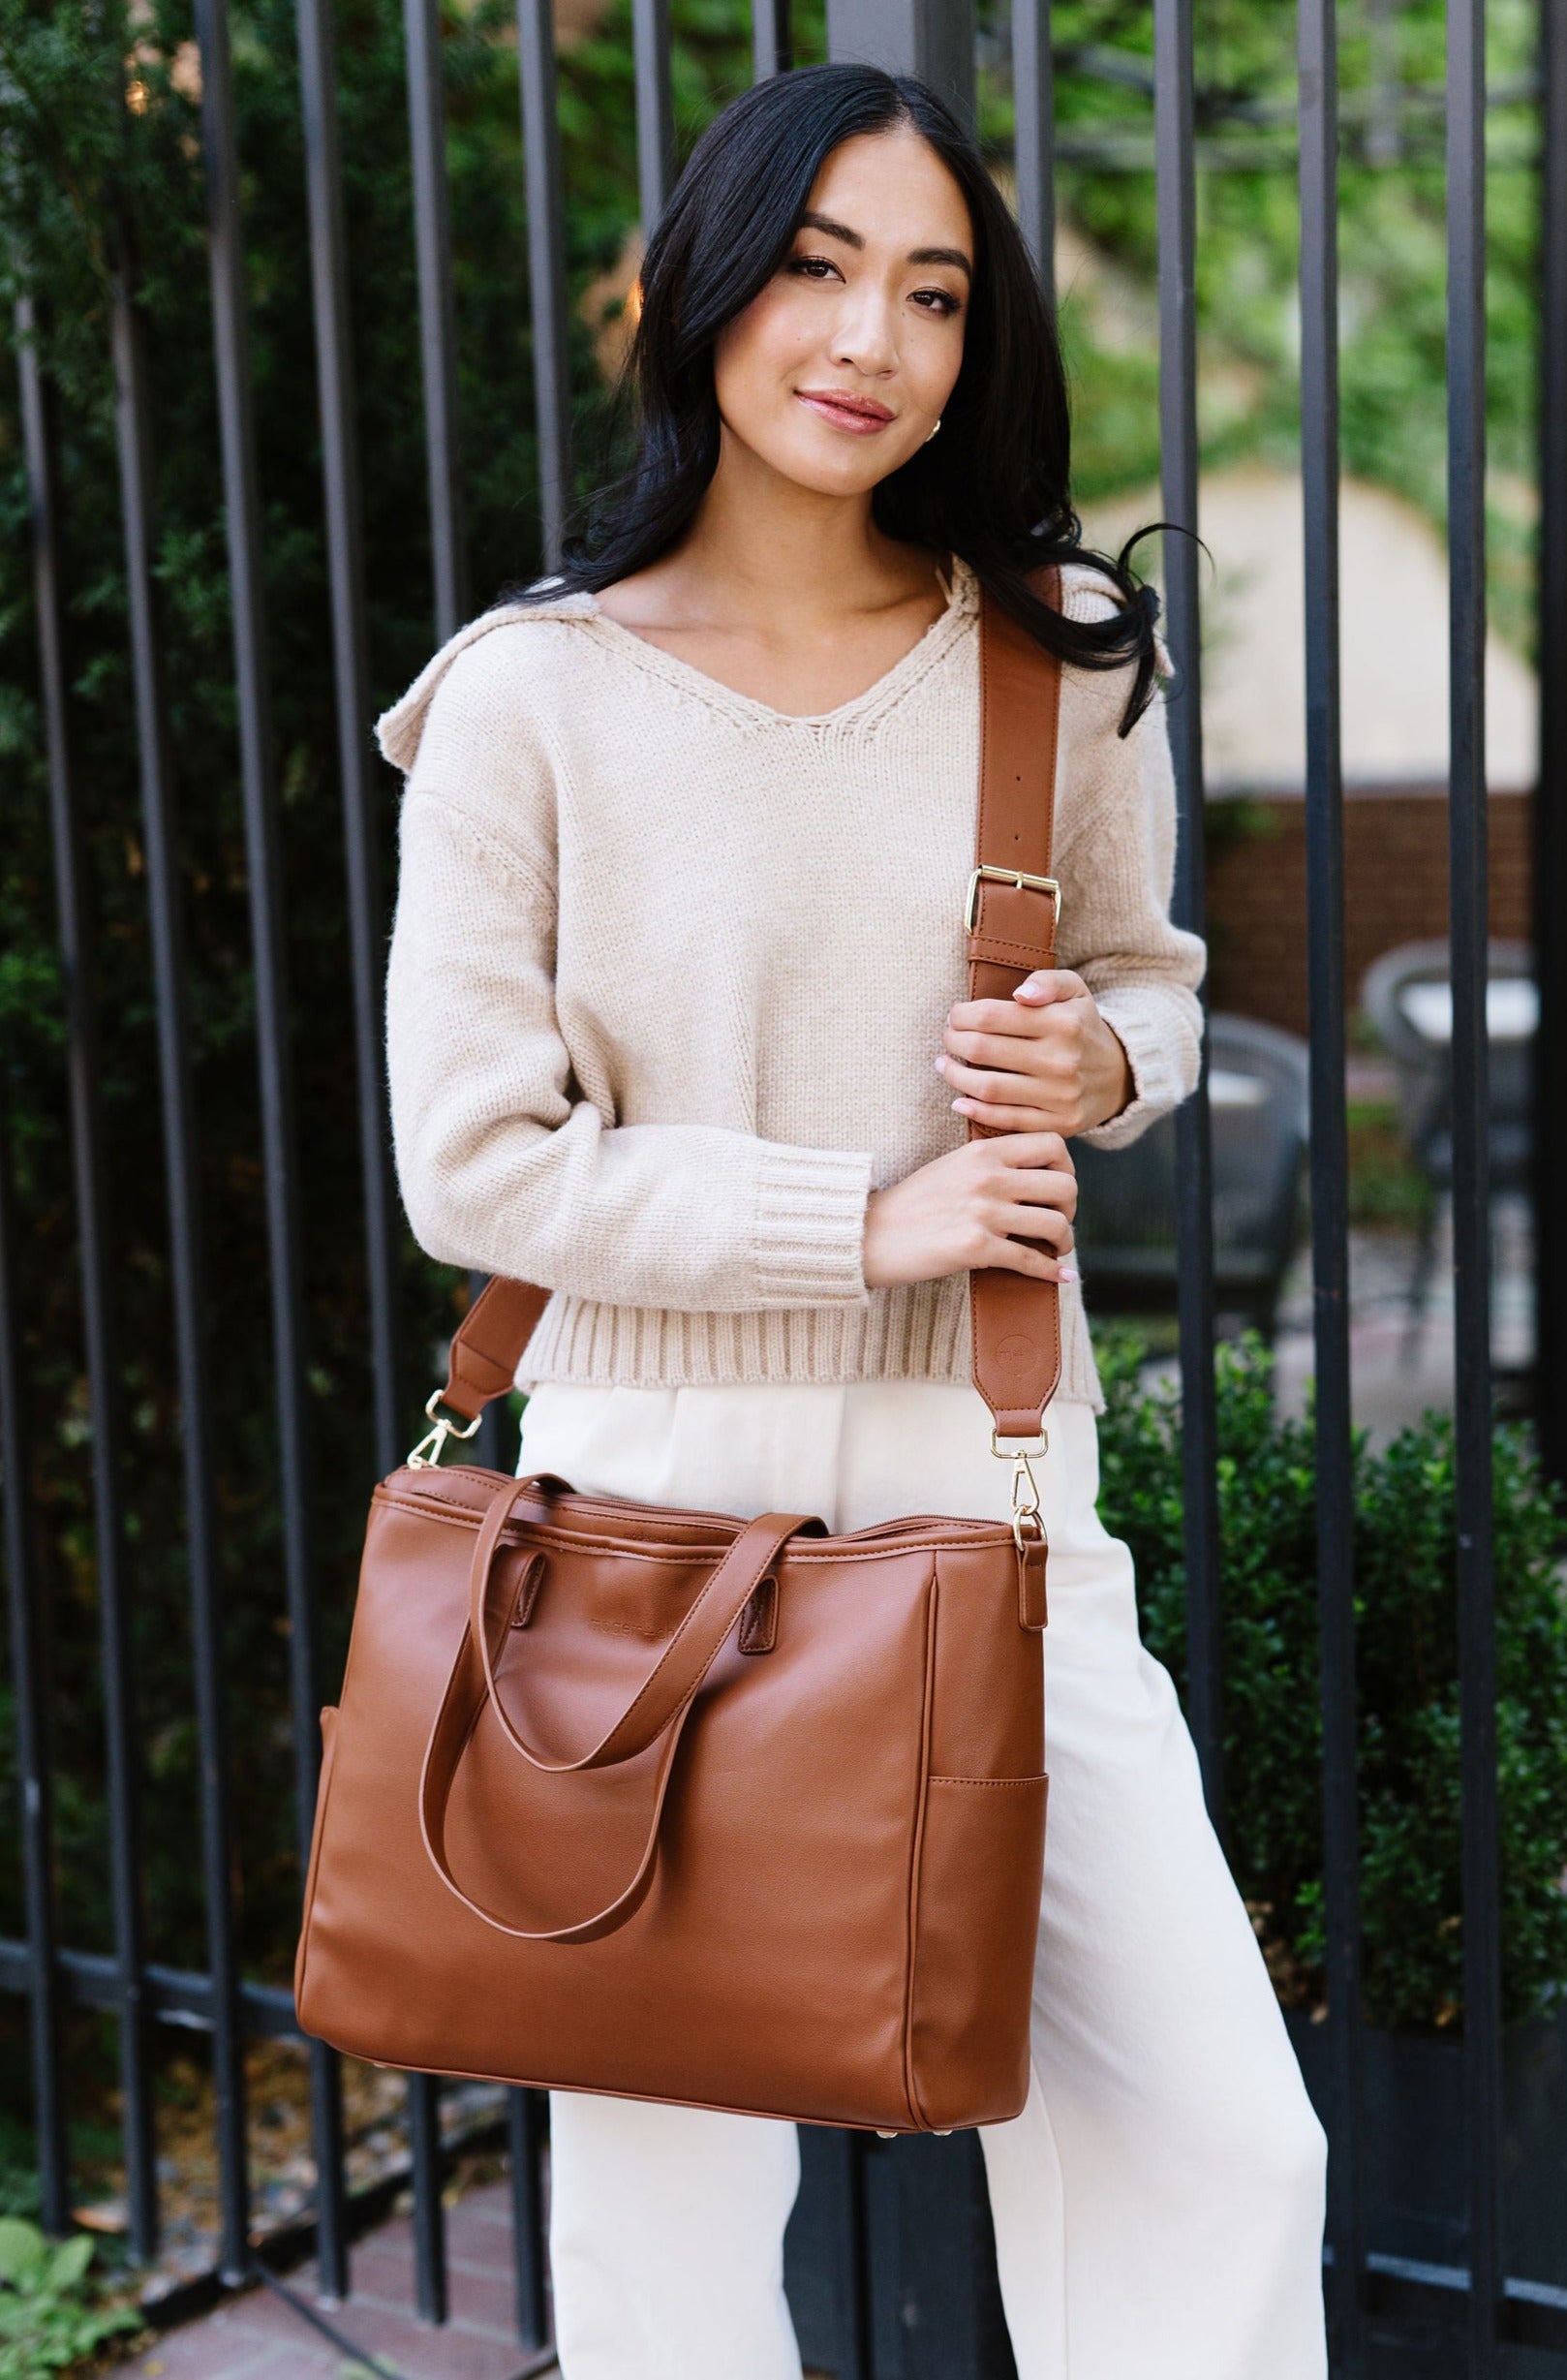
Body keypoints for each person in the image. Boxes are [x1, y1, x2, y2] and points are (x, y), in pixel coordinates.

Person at [376, 60, 1328, 2380]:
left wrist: (1102, 1060)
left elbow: (1153, 984)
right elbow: (471, 1163)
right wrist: (863, 1218)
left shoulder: (1054, 648)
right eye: (813, 267)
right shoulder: (525, 697)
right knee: (668, 2214)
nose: (866, 339)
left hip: (990, 1488)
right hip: (634, 1509)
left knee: (1207, 2138)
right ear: (701, 286)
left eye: (926, 290)